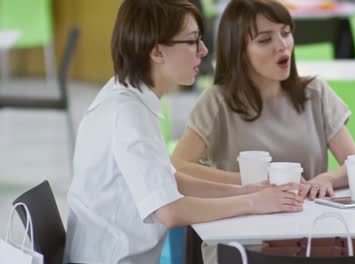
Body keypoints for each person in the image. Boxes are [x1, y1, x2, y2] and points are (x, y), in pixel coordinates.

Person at [64, 1, 305, 263]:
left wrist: (245, 191)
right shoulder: (129, 115)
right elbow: (170, 211)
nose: (203, 51)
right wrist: (253, 203)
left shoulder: (123, 94)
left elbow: (167, 180)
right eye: (192, 42)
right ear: (157, 51)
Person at [172, 0, 355, 201]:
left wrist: (328, 178)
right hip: (242, 223)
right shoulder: (217, 101)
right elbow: (178, 166)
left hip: (309, 221)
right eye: (264, 40)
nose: (282, 45)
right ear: (239, 52)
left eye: (286, 33)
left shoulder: (316, 93)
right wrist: (251, 183)